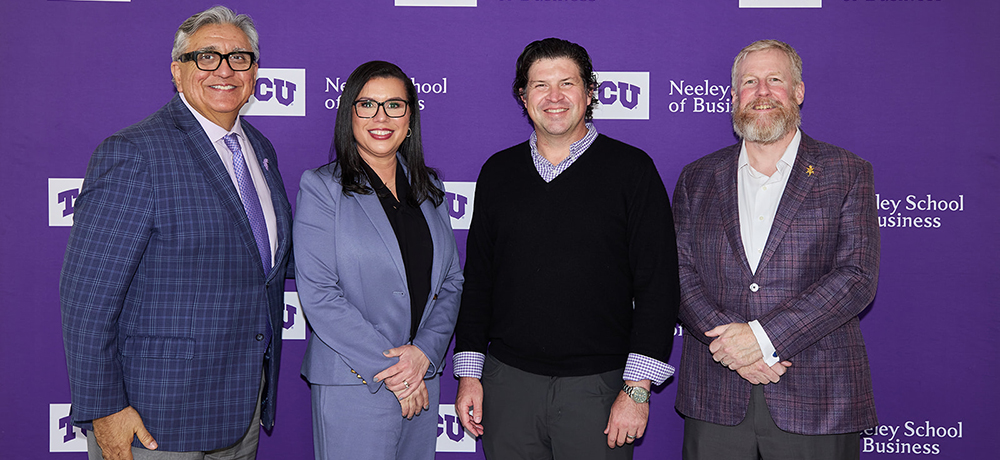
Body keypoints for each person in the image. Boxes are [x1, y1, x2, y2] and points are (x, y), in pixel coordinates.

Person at [60, 6, 293, 460]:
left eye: (239, 58)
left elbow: (264, 264)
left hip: (241, 409)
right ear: (177, 72)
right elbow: (87, 298)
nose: (224, 70)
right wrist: (105, 409)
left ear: (254, 72)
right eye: (206, 57)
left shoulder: (260, 149)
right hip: (155, 417)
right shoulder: (134, 153)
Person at [453, 38, 680, 460]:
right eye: (540, 85)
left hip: (600, 388)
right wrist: (469, 375)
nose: (554, 97)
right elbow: (479, 281)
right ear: (523, 97)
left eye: (567, 84)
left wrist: (637, 389)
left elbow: (658, 286)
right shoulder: (498, 172)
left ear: (589, 93)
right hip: (508, 386)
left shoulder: (633, 170)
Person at [672, 39, 879, 460]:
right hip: (716, 396)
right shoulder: (698, 177)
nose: (761, 92)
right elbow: (677, 272)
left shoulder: (847, 171)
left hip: (817, 399)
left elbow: (856, 277)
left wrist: (762, 339)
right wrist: (733, 348)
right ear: (734, 96)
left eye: (774, 80)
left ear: (798, 91)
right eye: (749, 82)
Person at [293, 60, 463, 460]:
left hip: (423, 379)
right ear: (349, 114)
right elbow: (320, 295)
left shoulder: (430, 187)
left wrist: (424, 354)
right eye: (367, 105)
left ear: (410, 118)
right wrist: (397, 372)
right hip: (355, 382)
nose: (381, 118)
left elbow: (451, 283)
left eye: (394, 106)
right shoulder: (322, 188)